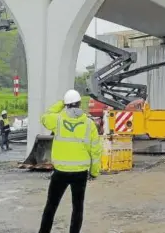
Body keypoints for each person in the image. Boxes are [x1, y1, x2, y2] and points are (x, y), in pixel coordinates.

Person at [38, 89, 102, 233]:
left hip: (60, 172)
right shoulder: (89, 124)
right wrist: (94, 171)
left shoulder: (58, 119)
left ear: (66, 104)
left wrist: (61, 103)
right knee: (77, 208)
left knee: (51, 206)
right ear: (80, 104)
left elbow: (45, 116)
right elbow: (96, 150)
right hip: (80, 173)